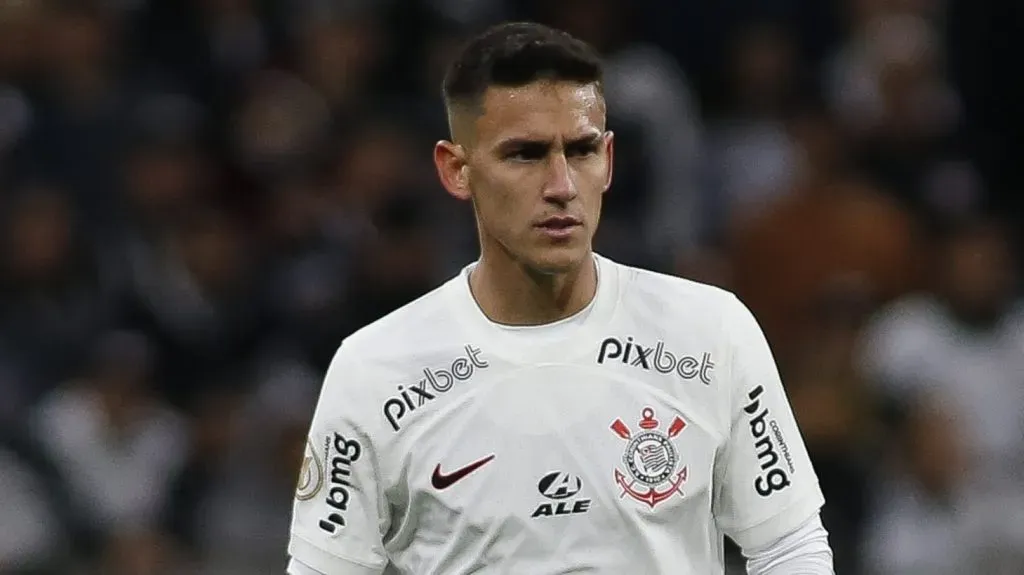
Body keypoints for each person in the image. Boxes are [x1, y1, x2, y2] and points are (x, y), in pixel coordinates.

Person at [286, 22, 834, 575]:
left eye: (581, 150)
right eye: (525, 154)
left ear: (610, 160)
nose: (561, 185)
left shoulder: (709, 334)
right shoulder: (375, 371)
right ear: (457, 169)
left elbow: (788, 546)